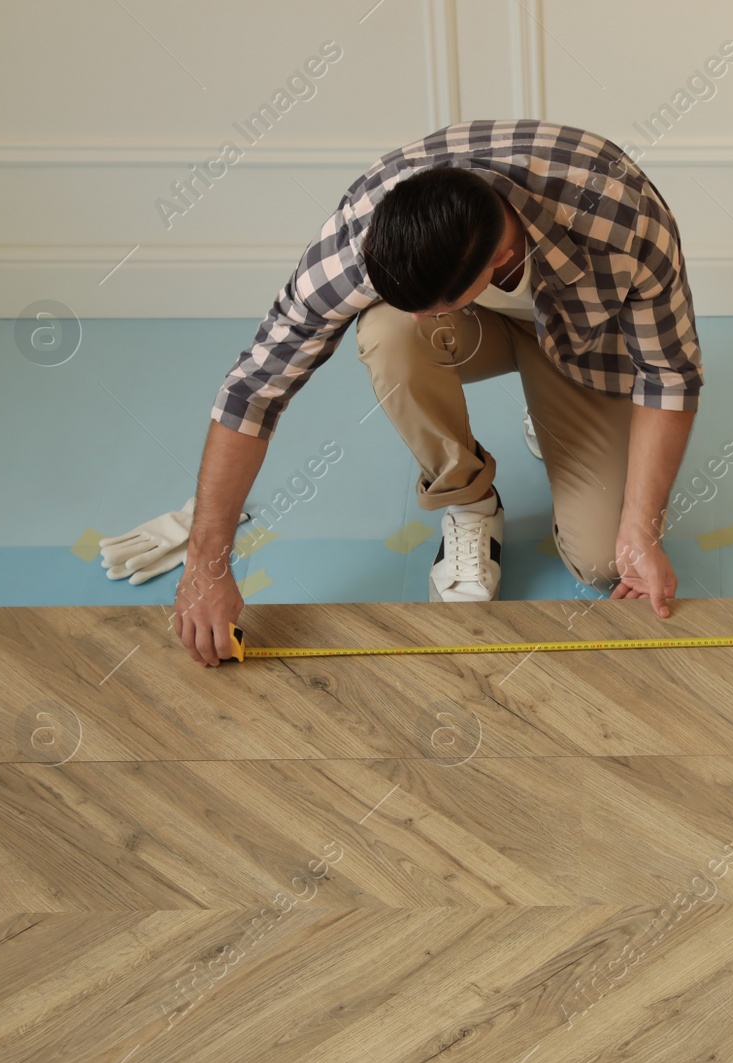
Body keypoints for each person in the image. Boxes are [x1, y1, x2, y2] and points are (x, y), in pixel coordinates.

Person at [172, 120, 705, 666]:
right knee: (388, 333)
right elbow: (254, 389)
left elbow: (670, 377)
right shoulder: (365, 231)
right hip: (479, 328)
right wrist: (203, 561)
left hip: (585, 348)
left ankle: (551, 411)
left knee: (603, 562)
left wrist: (642, 531)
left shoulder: (621, 217)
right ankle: (470, 503)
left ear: (499, 259)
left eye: (433, 306)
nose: (421, 319)